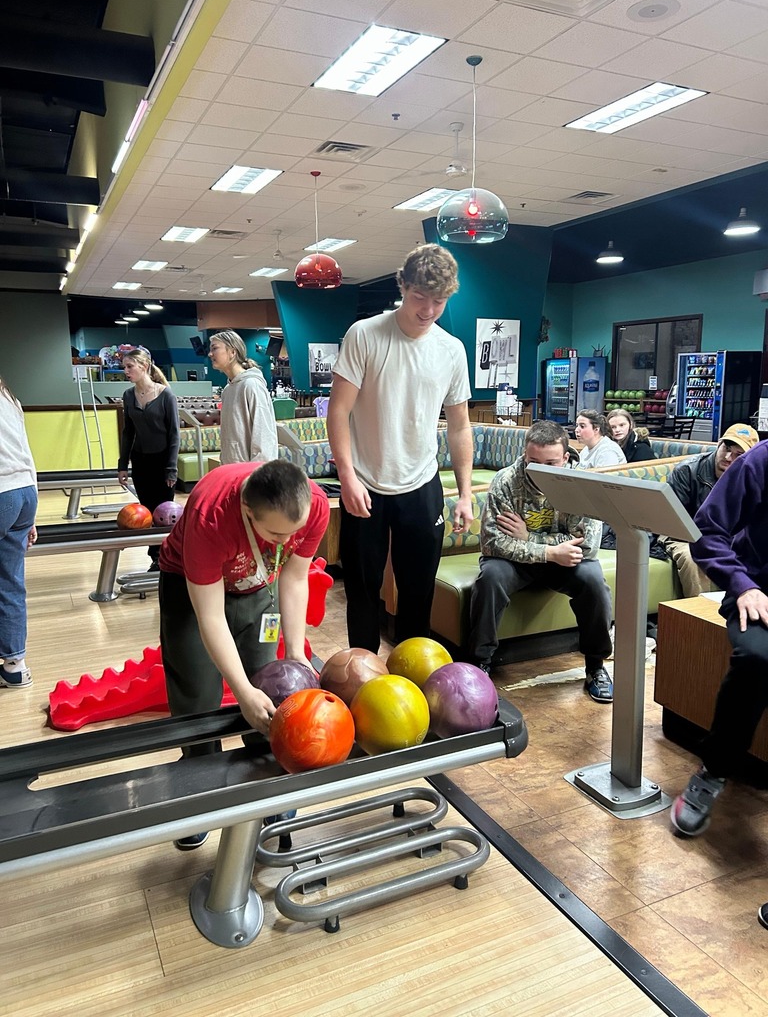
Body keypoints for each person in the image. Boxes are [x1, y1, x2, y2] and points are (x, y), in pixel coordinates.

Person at [158, 458, 329, 848]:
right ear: (249, 511)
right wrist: (239, 689)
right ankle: (200, 792)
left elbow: (295, 575)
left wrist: (297, 650)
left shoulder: (312, 504)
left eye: (294, 532)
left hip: (256, 584)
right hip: (192, 590)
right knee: (197, 692)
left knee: (270, 682)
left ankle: (269, 782)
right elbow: (211, 617)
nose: (285, 541)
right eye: (275, 532)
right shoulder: (211, 514)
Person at [327, 243, 473, 653]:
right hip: (366, 483)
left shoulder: (451, 350)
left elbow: (460, 426)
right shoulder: (365, 335)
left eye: (439, 301)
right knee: (362, 589)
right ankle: (362, 674)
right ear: (402, 286)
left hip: (422, 483)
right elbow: (338, 412)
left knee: (418, 591)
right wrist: (347, 476)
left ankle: (411, 678)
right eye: (419, 298)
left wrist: (464, 494)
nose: (428, 310)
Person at [669, 439, 768, 872]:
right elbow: (707, 530)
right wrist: (742, 583)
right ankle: (714, 768)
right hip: (757, 592)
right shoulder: (759, 461)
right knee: (756, 658)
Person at [468, 420, 614, 703]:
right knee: (490, 578)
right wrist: (548, 551)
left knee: (594, 581)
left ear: (566, 458)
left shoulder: (582, 483)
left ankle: (595, 666)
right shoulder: (506, 481)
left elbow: (587, 545)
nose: (539, 470)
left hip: (562, 562)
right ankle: (479, 664)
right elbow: (493, 542)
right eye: (533, 461)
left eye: (550, 463)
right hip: (517, 564)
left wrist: (528, 537)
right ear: (525, 455)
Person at [657, 423, 758, 598]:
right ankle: (700, 619)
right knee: (694, 558)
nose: (728, 456)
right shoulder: (688, 470)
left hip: (727, 537)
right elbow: (674, 521)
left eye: (738, 454)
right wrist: (711, 543)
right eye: (726, 447)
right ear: (718, 444)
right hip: (684, 535)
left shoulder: (750, 477)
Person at [118, 348, 179, 570]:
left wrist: (171, 469)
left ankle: (169, 556)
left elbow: (174, 434)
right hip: (141, 461)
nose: (125, 371)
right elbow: (128, 433)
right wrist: (122, 466)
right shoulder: (128, 395)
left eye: (129, 366)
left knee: (164, 513)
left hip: (163, 462)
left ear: (143, 366)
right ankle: (156, 557)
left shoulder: (166, 395)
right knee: (147, 510)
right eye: (124, 367)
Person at [0, 374, 38, 688]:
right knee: (10, 581)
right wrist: (32, 516)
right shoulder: (9, 398)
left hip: (1, 492)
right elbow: (26, 451)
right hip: (24, 491)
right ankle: (15, 666)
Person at [208, 329, 278, 464]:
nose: (210, 354)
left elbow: (264, 436)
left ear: (232, 352)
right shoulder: (228, 390)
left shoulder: (252, 385)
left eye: (215, 348)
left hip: (251, 475)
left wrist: (257, 476)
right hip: (231, 470)